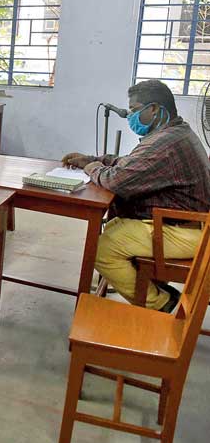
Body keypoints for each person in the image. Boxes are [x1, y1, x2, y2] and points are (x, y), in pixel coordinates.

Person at [62, 79, 210, 313]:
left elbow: (116, 180)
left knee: (101, 250)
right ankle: (153, 288)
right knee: (113, 227)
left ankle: (160, 303)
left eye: (134, 110)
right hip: (187, 223)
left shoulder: (164, 143)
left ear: (154, 109)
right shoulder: (174, 132)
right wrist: (96, 159)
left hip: (187, 232)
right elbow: (133, 166)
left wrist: (90, 167)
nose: (130, 115)